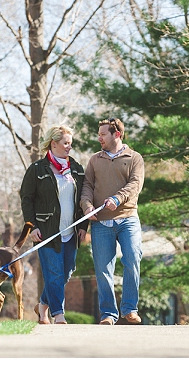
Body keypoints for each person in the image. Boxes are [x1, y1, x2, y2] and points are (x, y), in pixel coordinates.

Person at [20, 125, 87, 325]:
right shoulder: (37, 169)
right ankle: (58, 314)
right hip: (47, 232)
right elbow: (26, 199)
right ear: (54, 143)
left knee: (66, 272)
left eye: (71, 144)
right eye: (66, 143)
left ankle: (42, 304)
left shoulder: (76, 169)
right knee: (55, 273)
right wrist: (32, 227)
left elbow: (83, 197)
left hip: (71, 231)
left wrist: (83, 227)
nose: (69, 147)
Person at [80, 117, 145, 325]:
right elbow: (87, 186)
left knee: (133, 259)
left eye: (103, 134)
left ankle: (129, 309)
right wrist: (87, 206)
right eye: (99, 134)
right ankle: (108, 314)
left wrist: (118, 198)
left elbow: (135, 184)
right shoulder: (94, 160)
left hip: (128, 219)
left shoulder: (134, 158)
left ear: (116, 134)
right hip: (101, 222)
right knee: (103, 269)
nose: (99, 138)